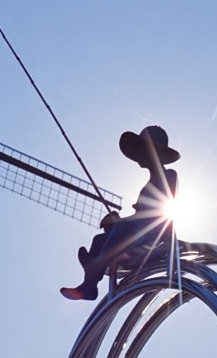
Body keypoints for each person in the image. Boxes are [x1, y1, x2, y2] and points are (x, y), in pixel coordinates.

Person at [60, 125, 179, 301]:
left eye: (143, 149)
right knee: (99, 239)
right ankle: (90, 284)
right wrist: (119, 221)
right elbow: (141, 217)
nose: (139, 155)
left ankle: (93, 269)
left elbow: (155, 214)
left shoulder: (169, 176)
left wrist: (120, 222)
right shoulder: (149, 184)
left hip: (158, 231)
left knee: (119, 230)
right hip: (144, 229)